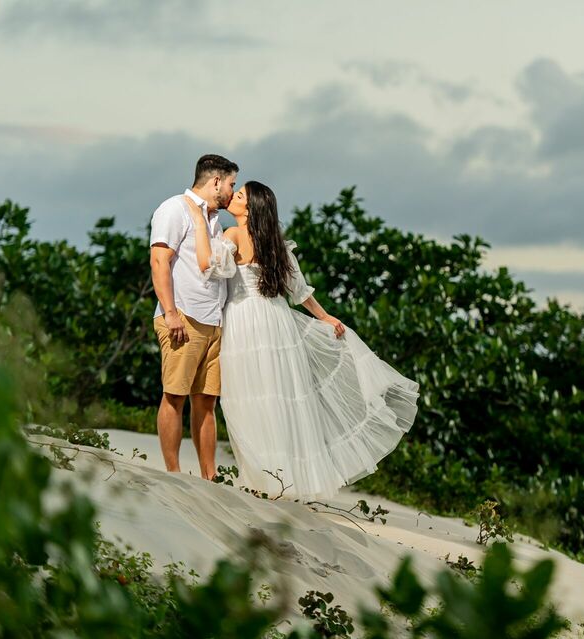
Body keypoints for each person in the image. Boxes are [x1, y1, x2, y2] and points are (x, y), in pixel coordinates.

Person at [186, 181, 418, 498]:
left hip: (244, 320)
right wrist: (324, 316)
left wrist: (200, 224)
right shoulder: (275, 245)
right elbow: (299, 292)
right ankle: (283, 480)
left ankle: (263, 479)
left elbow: (214, 269)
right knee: (279, 396)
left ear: (250, 209)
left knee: (248, 396)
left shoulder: (233, 234)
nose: (233, 198)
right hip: (276, 321)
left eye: (239, 196)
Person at [149, 154, 238, 480]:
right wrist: (171, 314)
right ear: (216, 181)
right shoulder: (174, 208)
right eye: (231, 184)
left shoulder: (215, 221)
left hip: (213, 322)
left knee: (206, 402)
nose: (232, 191)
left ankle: (208, 477)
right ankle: (173, 474)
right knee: (174, 395)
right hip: (184, 318)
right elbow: (159, 261)